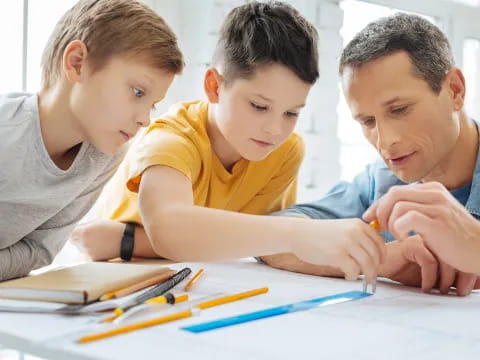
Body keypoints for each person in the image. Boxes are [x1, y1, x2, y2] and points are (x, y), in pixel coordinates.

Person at [71, 1, 385, 284]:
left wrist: (128, 240)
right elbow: (172, 230)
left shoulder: (286, 151)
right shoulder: (172, 138)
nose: (275, 129)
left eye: (291, 112)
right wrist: (300, 233)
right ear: (215, 87)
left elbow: (257, 247)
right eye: (259, 106)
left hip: (201, 285)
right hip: (119, 284)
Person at [259, 13, 480, 296]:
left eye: (400, 110)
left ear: (455, 90)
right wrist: (380, 259)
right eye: (368, 122)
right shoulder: (380, 183)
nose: (385, 141)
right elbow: (271, 237)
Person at [0, 0, 183, 281]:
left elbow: (39, 250)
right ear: (77, 63)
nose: (145, 119)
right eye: (137, 92)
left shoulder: (104, 155)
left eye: (153, 104)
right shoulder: (6, 130)